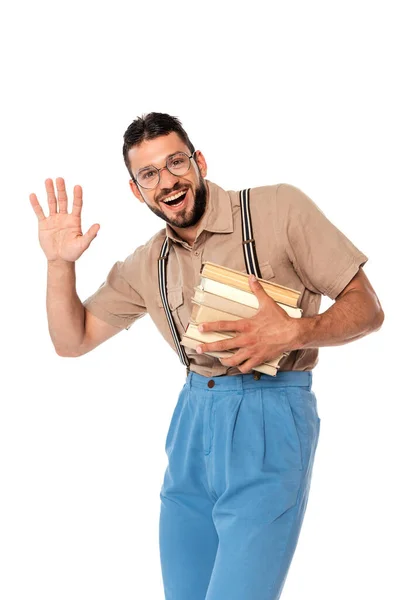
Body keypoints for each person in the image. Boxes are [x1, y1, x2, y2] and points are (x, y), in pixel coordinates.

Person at [29, 112, 384, 600]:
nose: (167, 181)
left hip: (270, 416)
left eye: (176, 162)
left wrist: (294, 331)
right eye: (149, 174)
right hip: (191, 423)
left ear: (199, 161)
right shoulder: (145, 262)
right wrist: (57, 265)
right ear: (137, 190)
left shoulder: (277, 209)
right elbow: (72, 341)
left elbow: (368, 308)